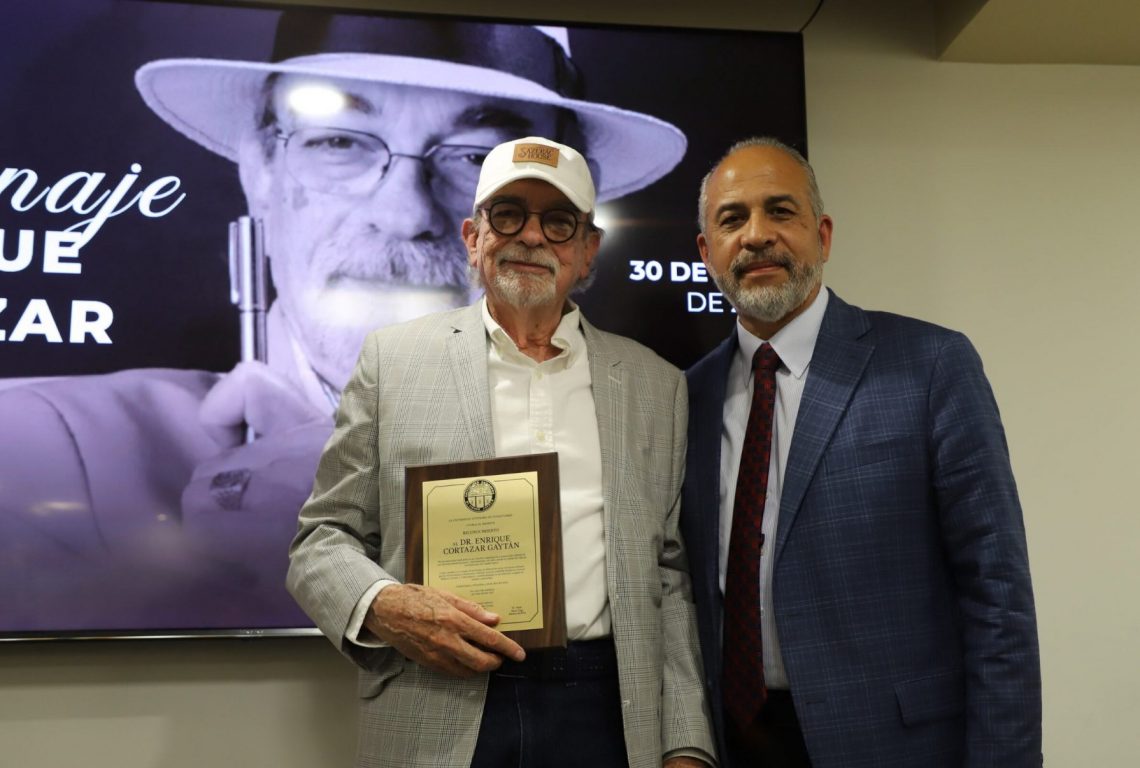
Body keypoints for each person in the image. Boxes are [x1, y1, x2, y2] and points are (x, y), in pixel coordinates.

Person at [0, 11, 686, 632]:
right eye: (338, 141)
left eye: (476, 157)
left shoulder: (641, 418)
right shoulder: (51, 445)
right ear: (259, 170)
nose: (404, 212)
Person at [286, 136, 715, 768]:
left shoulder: (655, 385)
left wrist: (686, 743)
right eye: (508, 214)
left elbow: (669, 574)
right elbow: (320, 541)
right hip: (437, 697)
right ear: (473, 237)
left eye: (558, 221)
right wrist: (386, 606)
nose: (531, 237)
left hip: (604, 712)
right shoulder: (392, 362)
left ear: (588, 251)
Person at [680, 137, 1043, 768]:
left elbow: (997, 596)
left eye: (779, 211)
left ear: (821, 235)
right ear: (706, 252)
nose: (756, 235)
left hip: (900, 767)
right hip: (738, 765)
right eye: (732, 219)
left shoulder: (930, 365)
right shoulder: (687, 397)